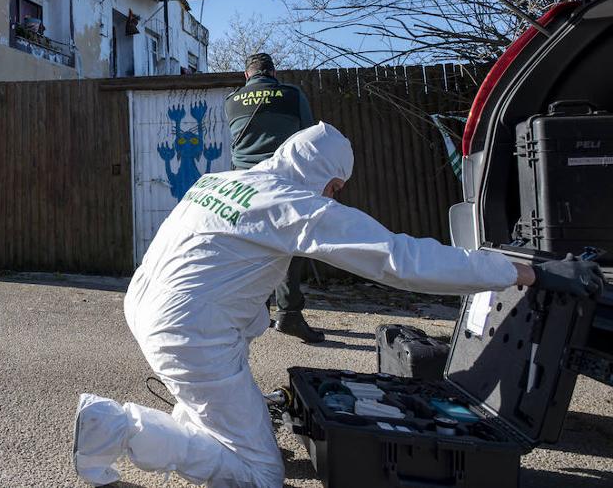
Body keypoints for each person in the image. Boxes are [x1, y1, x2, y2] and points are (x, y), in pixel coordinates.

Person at [72, 123, 602, 488]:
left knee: (217, 410)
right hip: (189, 336)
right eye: (337, 187)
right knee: (261, 474)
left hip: (147, 306)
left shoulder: (224, 180)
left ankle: (179, 424)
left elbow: (211, 264)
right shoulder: (292, 205)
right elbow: (399, 259)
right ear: (327, 178)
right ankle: (111, 426)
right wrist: (523, 271)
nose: (336, 197)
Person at [225, 52, 323, 343]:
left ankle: (257, 311)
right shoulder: (292, 95)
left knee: (253, 247)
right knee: (290, 247)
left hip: (244, 183)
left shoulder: (232, 101)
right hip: (283, 181)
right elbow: (308, 138)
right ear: (273, 72)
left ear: (247, 75)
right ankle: (289, 314)